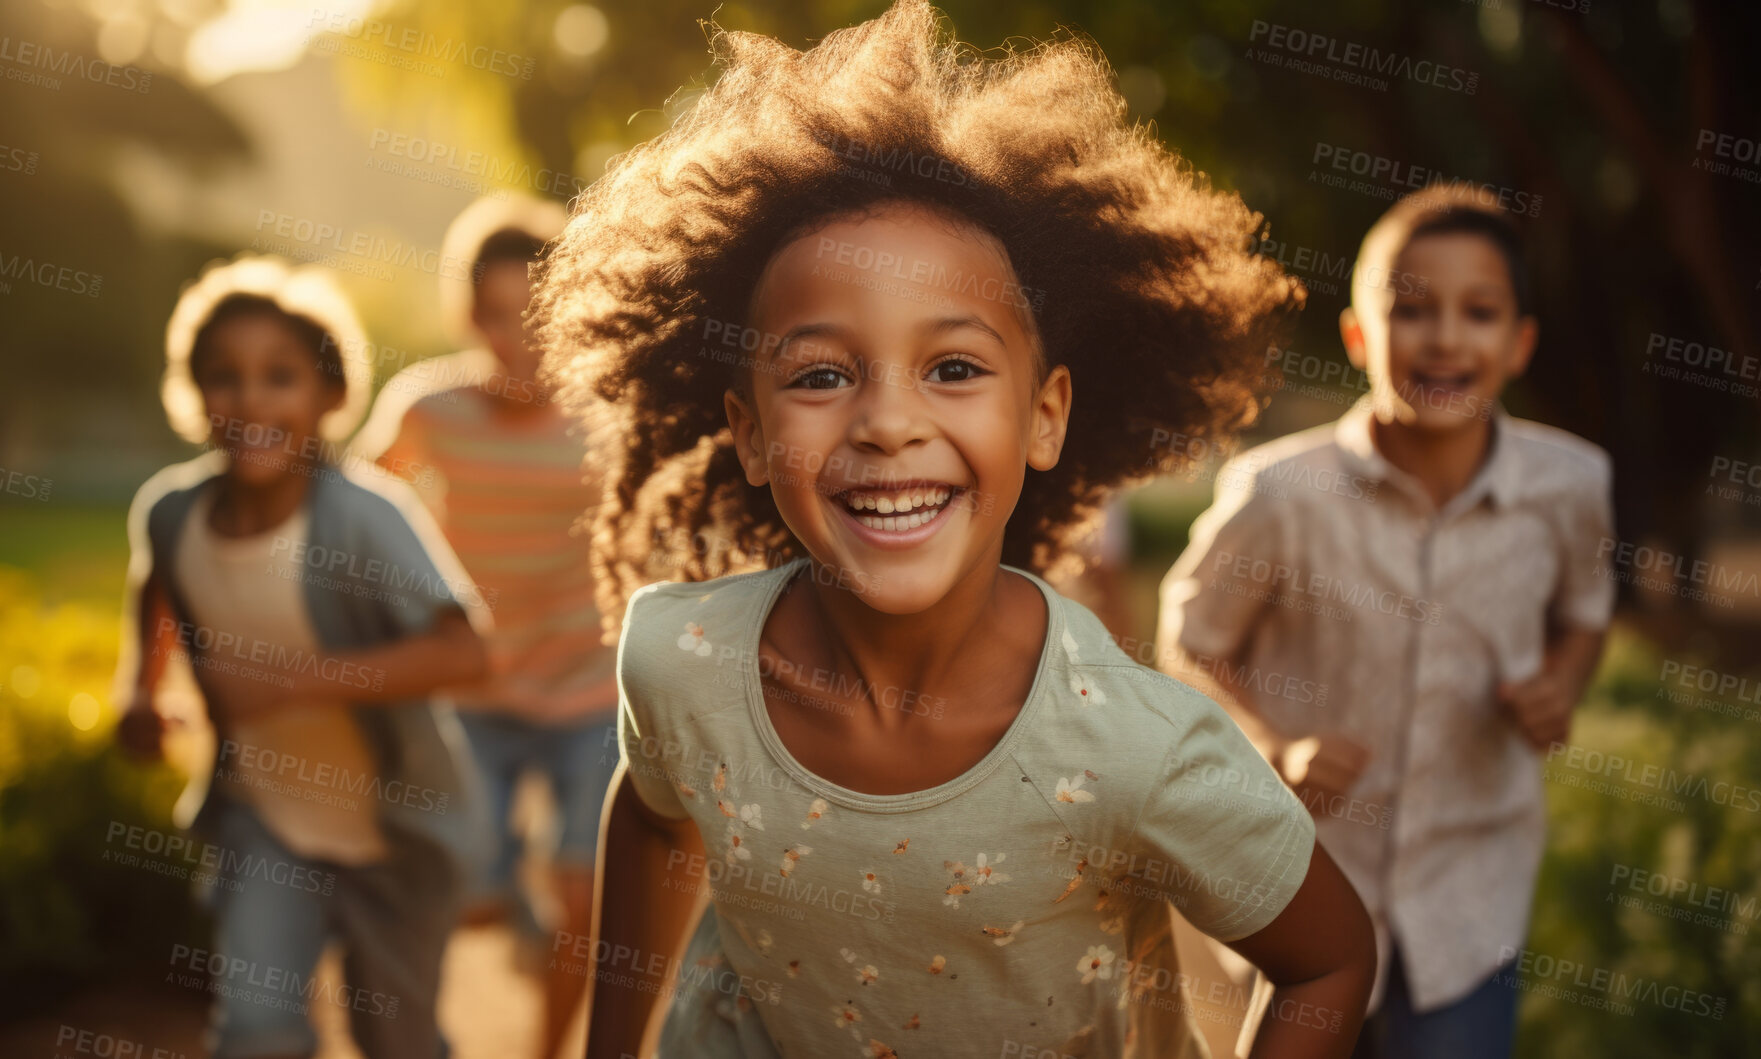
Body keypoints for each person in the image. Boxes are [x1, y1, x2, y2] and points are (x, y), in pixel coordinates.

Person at [532, 3, 1378, 1056]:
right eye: (820, 375)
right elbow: (655, 813)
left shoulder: (1135, 748)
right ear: (747, 436)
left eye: (954, 368)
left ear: (1043, 415)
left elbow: (1329, 956)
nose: (888, 421)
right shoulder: (679, 660)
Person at [1158, 184, 1615, 1059]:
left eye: (1477, 312)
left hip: (1469, 887)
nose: (1444, 336)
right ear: (1358, 336)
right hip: (1300, 883)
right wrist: (1269, 747)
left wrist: (1561, 682)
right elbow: (1188, 640)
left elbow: (1584, 614)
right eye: (1410, 310)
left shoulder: (1570, 486)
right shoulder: (1281, 492)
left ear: (1518, 343)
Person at [113, 254, 495, 1059]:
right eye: (224, 376)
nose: (250, 399)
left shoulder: (364, 517)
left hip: (397, 833)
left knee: (395, 1038)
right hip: (264, 824)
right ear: (192, 392)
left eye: (279, 376)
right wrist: (139, 693)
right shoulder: (171, 512)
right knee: (256, 1031)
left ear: (329, 395)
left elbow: (467, 651)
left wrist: (299, 680)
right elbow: (156, 592)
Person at [350, 193, 617, 1056]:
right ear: (468, 317)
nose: (516, 339)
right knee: (466, 892)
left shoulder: (606, 411)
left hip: (588, 688)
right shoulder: (430, 409)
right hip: (474, 690)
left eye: (534, 314)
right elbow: (352, 510)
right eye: (494, 316)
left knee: (584, 901)